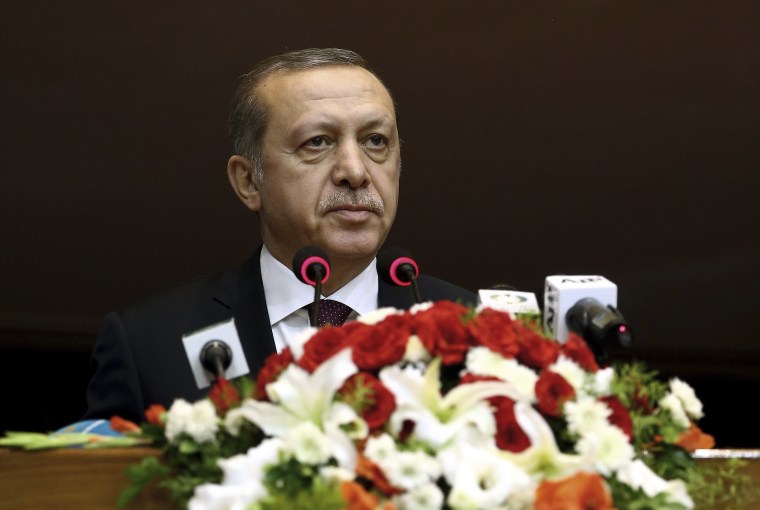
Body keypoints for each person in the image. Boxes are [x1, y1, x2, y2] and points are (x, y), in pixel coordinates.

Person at [84, 48, 476, 423]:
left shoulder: (478, 330)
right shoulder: (152, 343)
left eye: (376, 141)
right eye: (317, 142)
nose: (355, 172)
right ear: (249, 181)